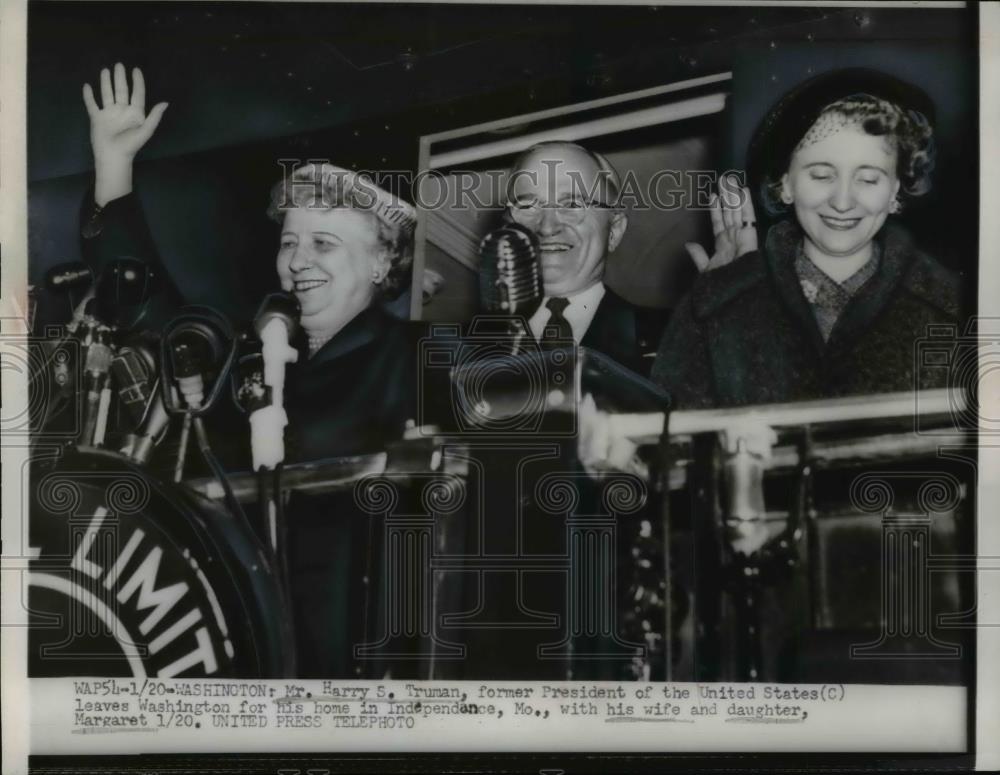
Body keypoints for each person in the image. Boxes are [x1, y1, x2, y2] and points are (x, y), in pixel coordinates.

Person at [80, 64, 422, 677]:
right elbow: (145, 306)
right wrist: (114, 169)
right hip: (241, 645)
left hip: (361, 661)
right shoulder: (242, 359)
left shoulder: (416, 360)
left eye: (325, 243)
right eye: (290, 242)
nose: (297, 261)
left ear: (381, 263)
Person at [651, 68, 962, 410]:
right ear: (784, 184)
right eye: (821, 175)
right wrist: (731, 303)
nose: (842, 202)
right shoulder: (716, 306)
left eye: (869, 179)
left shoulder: (953, 309)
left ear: (895, 191)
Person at [503, 141, 658, 375]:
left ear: (614, 231)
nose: (546, 227)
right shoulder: (463, 349)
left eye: (572, 204)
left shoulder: (669, 338)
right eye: (527, 206)